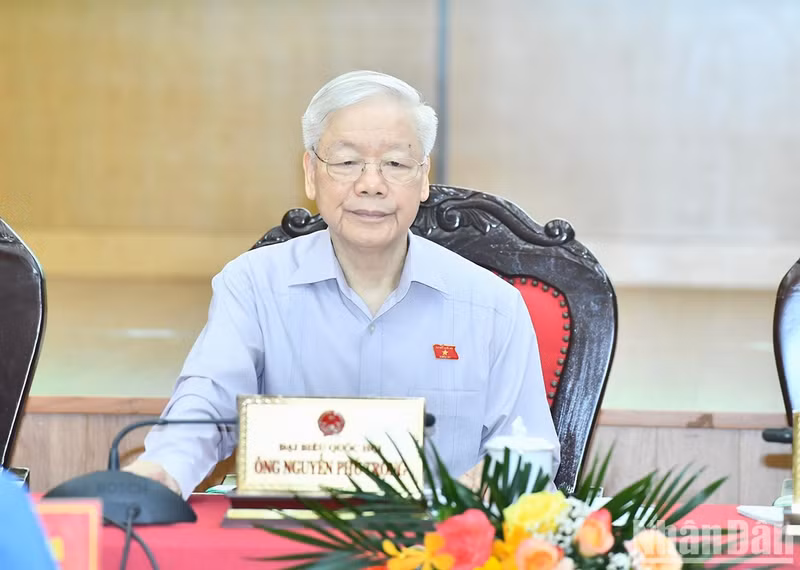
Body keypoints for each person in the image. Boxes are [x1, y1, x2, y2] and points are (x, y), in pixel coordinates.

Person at [125, 70, 560, 497]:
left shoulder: (491, 304)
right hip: (289, 547)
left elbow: (529, 445)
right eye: (348, 162)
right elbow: (208, 405)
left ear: (424, 176)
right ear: (311, 172)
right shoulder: (252, 285)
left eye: (395, 163)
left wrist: (469, 493)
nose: (371, 184)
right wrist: (164, 469)